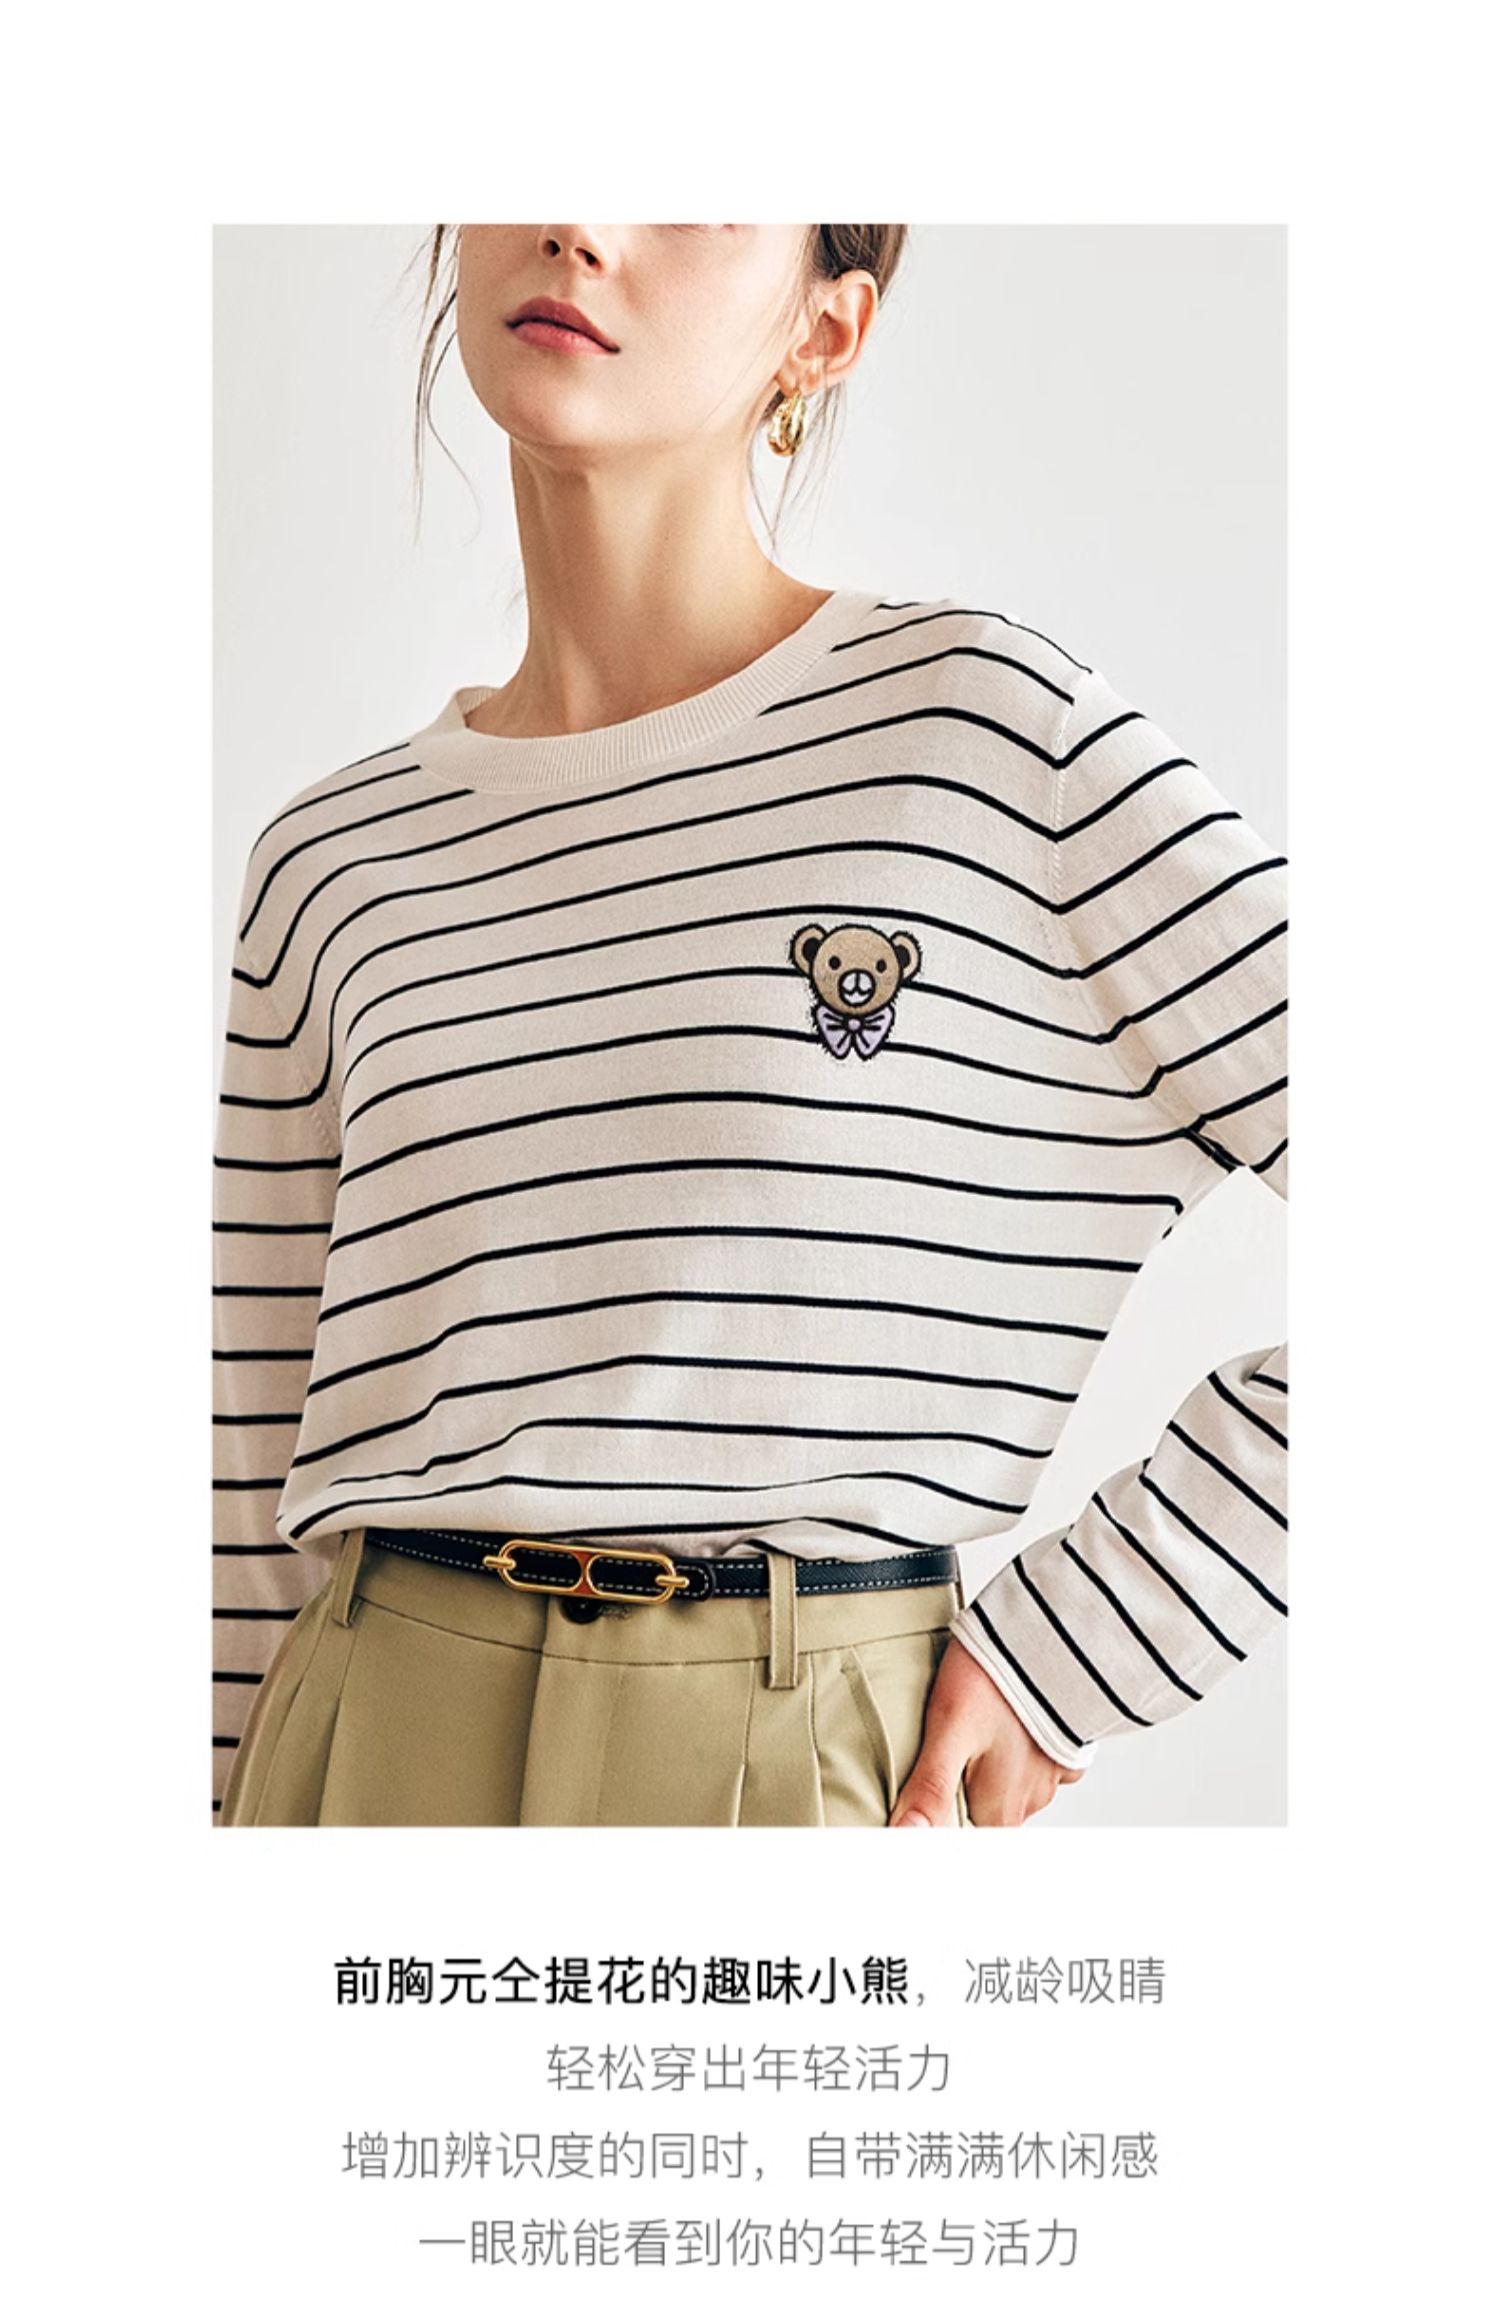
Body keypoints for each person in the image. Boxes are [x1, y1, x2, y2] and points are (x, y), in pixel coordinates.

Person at [212, 223, 1287, 1829]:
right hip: (356, 1737)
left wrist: (1092, 1642)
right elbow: (247, 1477)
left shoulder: (988, 745)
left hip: (790, 1746)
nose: (584, 221)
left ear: (825, 332)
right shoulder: (334, 864)